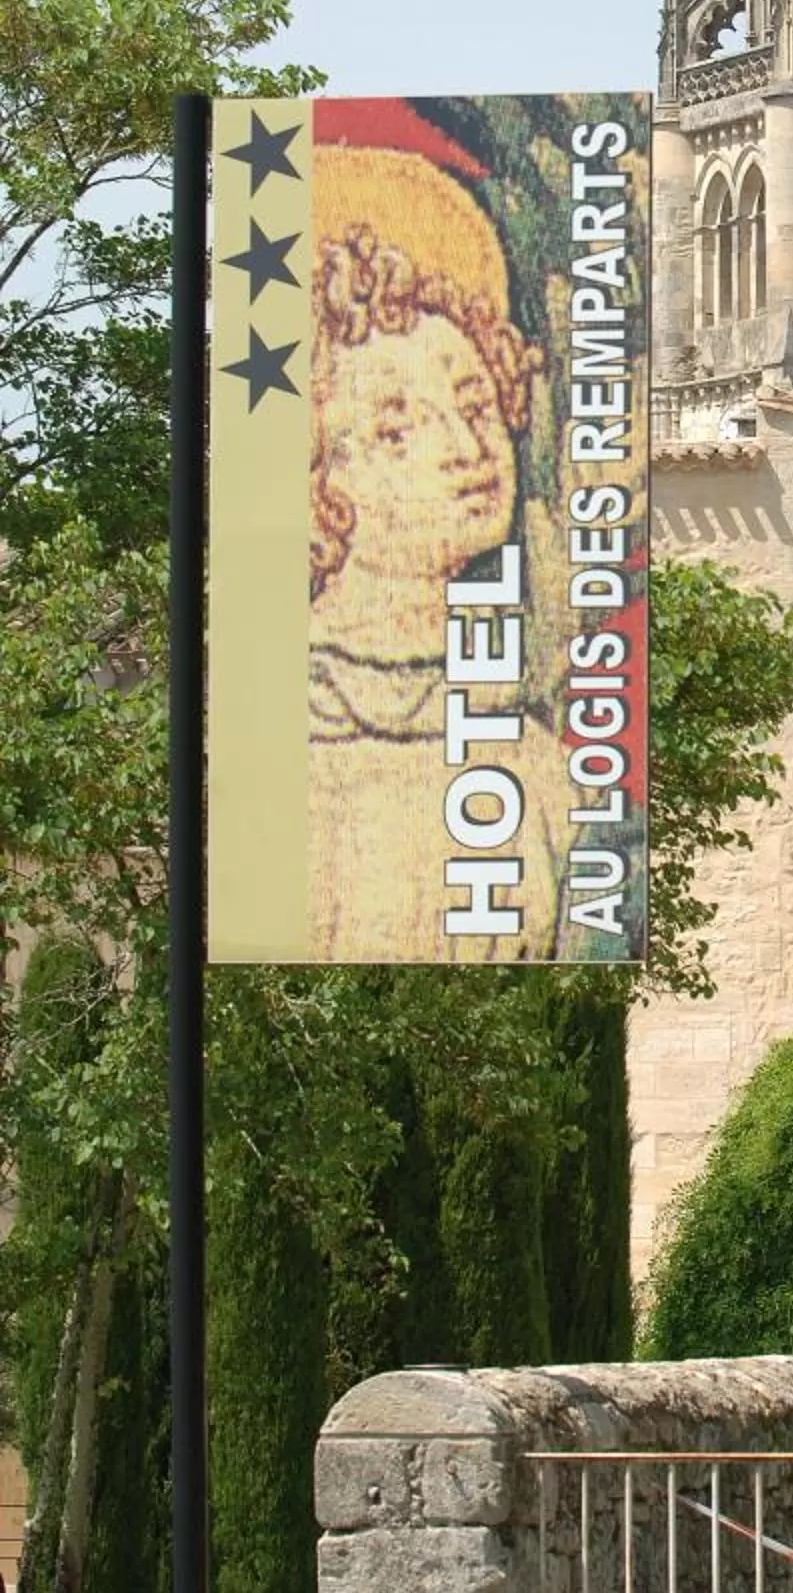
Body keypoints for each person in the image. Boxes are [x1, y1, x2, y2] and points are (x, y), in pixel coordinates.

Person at [306, 109, 570, 957]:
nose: (467, 449)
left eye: (473, 401)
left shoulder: (540, 771)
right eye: (397, 427)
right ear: (317, 469)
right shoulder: (269, 751)